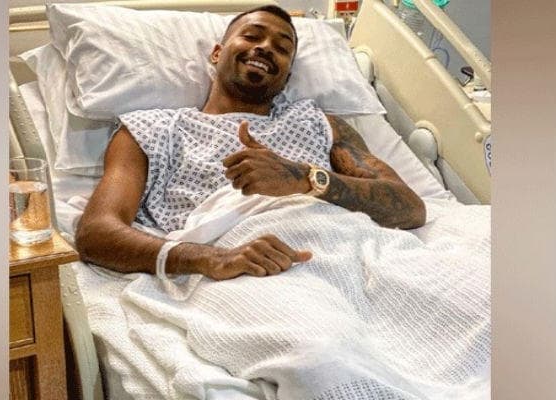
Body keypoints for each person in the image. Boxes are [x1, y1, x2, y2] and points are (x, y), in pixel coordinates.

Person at [75, 5, 426, 281]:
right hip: (238, 273)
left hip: (344, 255)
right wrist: (212, 258)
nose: (266, 47)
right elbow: (96, 234)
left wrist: (304, 179)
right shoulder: (152, 130)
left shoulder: (320, 124)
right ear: (217, 53)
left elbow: (410, 209)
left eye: (282, 48)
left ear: (288, 75)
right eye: (252, 36)